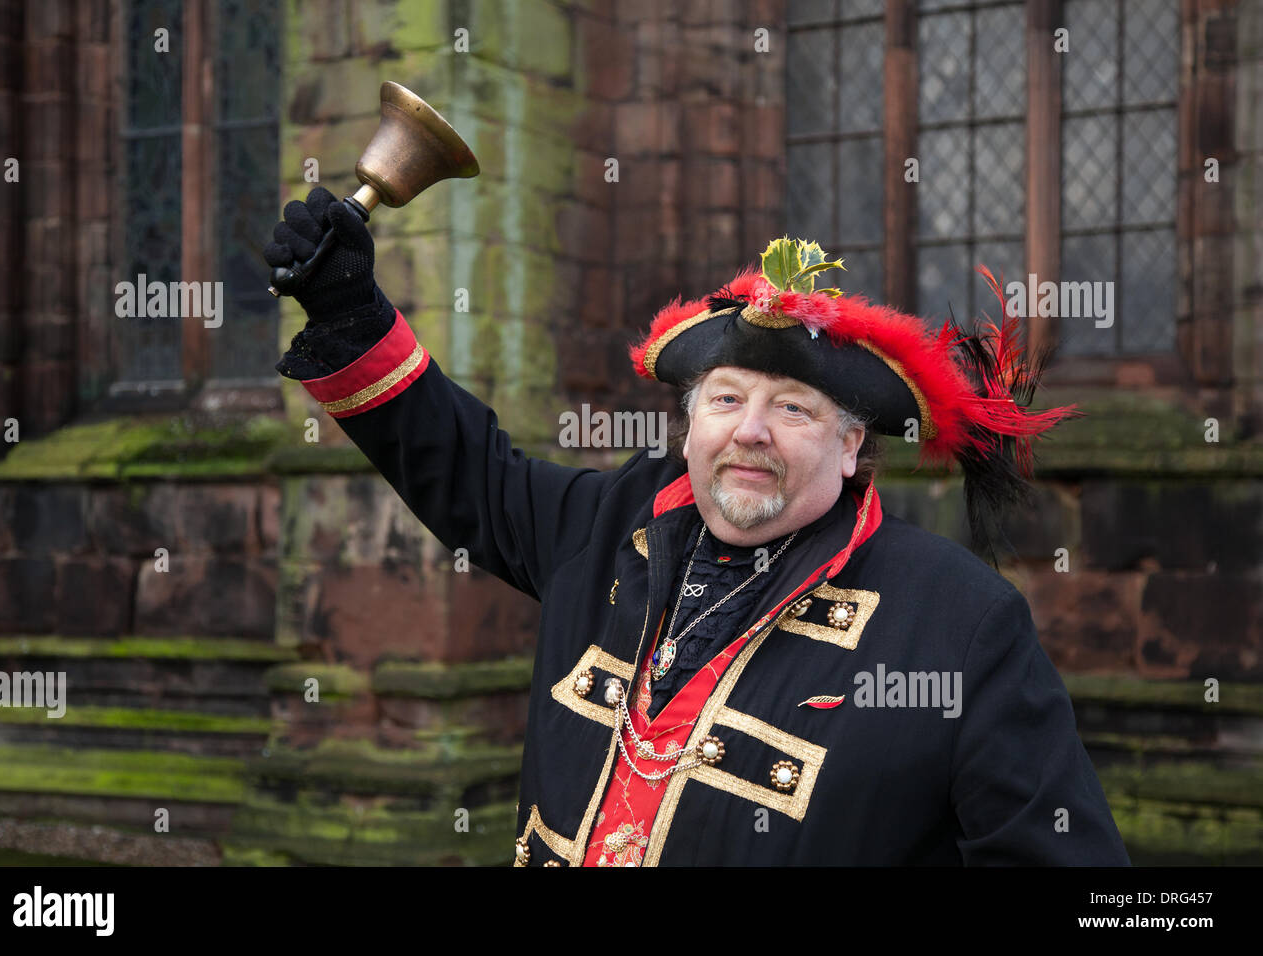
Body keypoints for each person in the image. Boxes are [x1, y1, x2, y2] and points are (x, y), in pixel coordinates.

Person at [265, 188, 1131, 866]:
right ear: (689, 423)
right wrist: (350, 313)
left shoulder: (961, 623)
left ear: (850, 444)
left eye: (793, 407)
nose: (749, 429)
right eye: (726, 398)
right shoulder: (605, 523)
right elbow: (460, 468)